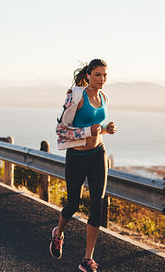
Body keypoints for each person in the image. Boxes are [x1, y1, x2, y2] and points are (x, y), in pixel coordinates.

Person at [50, 59, 117, 272]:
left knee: (97, 204)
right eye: (98, 74)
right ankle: (57, 234)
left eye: (105, 75)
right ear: (88, 75)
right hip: (77, 157)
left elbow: (98, 128)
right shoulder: (76, 96)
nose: (102, 79)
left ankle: (87, 259)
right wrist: (90, 131)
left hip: (98, 154)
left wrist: (107, 129)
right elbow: (61, 131)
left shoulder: (104, 97)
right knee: (73, 203)